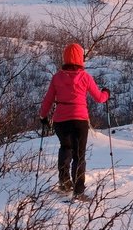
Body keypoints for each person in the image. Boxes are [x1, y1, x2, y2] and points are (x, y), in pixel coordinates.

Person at [39, 43, 110, 199]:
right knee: (79, 155)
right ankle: (78, 191)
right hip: (79, 120)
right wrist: (106, 94)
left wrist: (43, 116)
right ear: (80, 58)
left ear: (65, 57)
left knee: (65, 148)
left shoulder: (57, 77)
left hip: (60, 120)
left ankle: (64, 182)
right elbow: (99, 98)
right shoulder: (85, 77)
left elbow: (48, 99)